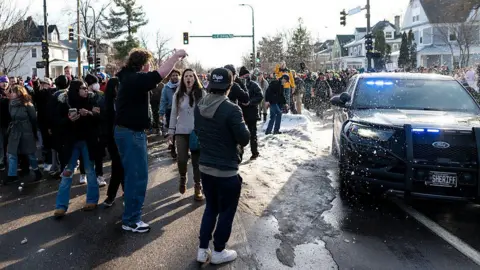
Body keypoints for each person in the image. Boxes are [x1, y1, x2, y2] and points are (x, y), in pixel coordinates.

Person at [114, 48, 187, 233]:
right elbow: (160, 74)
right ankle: (131, 219)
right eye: (149, 63)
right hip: (131, 133)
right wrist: (176, 56)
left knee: (134, 176)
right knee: (137, 177)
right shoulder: (134, 78)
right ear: (143, 64)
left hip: (128, 132)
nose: (151, 67)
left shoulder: (129, 78)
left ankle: (131, 213)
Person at [194, 68, 250, 265]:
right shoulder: (232, 109)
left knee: (211, 207)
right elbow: (244, 139)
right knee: (226, 211)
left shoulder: (199, 105)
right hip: (227, 171)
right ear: (229, 86)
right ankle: (218, 250)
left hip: (206, 167)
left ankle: (202, 249)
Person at [54, 80, 100, 217]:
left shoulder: (92, 100)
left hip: (87, 141)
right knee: (67, 173)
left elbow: (100, 117)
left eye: (86, 88)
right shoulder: (64, 103)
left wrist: (90, 114)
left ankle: (92, 200)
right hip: (71, 143)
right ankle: (61, 206)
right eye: (82, 88)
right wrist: (69, 119)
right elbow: (57, 122)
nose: (86, 90)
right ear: (75, 90)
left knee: (90, 171)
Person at [167, 68, 205, 200]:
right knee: (182, 159)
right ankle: (183, 177)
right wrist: (171, 132)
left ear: (195, 79)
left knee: (197, 162)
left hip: (196, 132)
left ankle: (197, 187)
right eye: (186, 76)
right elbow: (173, 114)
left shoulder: (201, 93)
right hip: (181, 131)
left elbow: (206, 113)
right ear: (183, 79)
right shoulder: (177, 95)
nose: (189, 78)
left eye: (191, 76)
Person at [5, 85, 42, 183]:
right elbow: (11, 116)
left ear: (19, 93)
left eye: (13, 92)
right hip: (15, 131)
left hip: (26, 131)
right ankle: (12, 175)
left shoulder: (28, 104)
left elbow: (33, 118)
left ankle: (37, 171)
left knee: (30, 153)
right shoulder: (11, 104)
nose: (11, 94)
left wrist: (33, 132)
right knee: (12, 153)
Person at [103, 78, 125, 207]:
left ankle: (113, 195)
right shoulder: (106, 103)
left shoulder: (123, 101)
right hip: (112, 138)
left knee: (121, 166)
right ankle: (111, 195)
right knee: (117, 165)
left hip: (124, 137)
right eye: (117, 87)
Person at [238, 67, 263, 160]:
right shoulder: (237, 86)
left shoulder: (254, 85)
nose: (246, 77)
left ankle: (254, 152)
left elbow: (260, 96)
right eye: (244, 75)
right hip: (241, 114)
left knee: (253, 134)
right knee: (240, 135)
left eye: (247, 75)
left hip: (252, 113)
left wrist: (250, 102)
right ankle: (240, 155)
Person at [159, 69, 181, 158]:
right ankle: (173, 148)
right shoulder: (166, 87)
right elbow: (163, 100)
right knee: (172, 130)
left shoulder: (182, 86)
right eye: (173, 75)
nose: (175, 77)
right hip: (170, 111)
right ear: (170, 77)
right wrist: (161, 113)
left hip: (182, 111)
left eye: (176, 75)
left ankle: (183, 150)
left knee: (181, 131)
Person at [0, 75, 10, 171]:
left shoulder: (11, 92)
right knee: (1, 143)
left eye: (6, 82)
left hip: (8, 122)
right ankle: (1, 161)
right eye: (3, 82)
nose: (4, 84)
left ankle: (7, 160)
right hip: (1, 122)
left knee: (8, 143)